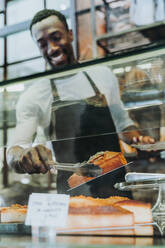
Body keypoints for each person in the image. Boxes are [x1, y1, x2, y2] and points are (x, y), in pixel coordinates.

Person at [7, 9, 154, 196]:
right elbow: (14, 151)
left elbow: (122, 122)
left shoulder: (103, 75)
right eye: (42, 44)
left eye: (56, 37)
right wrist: (22, 156)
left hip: (117, 190)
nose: (52, 48)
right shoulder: (33, 95)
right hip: (73, 198)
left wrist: (138, 139)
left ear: (70, 35)